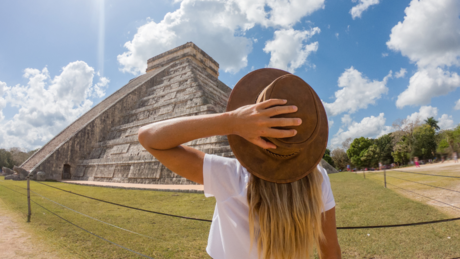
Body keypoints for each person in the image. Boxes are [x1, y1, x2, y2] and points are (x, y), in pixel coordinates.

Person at [138, 69, 341, 259]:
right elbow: (330, 251)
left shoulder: (230, 175)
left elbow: (149, 138)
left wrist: (232, 122)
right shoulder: (318, 179)